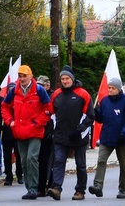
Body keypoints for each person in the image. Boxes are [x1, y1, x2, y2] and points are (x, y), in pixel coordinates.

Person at [2, 64, 51, 200]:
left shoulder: (39, 90)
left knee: (31, 158)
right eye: (20, 76)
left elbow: (47, 109)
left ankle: (33, 188)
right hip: (19, 131)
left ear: (31, 76)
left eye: (24, 76)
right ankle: (29, 188)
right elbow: (4, 107)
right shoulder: (14, 91)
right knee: (23, 161)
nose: (22, 78)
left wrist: (38, 123)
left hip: (35, 132)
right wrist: (10, 121)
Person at [47, 65, 94, 201]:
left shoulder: (83, 94)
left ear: (72, 79)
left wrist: (79, 130)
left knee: (81, 164)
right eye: (62, 78)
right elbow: (52, 114)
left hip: (79, 135)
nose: (65, 81)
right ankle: (56, 188)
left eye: (67, 78)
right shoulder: (56, 94)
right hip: (61, 135)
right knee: (59, 161)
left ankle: (80, 190)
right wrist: (54, 131)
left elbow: (90, 116)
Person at [89, 77, 125, 199]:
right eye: (109, 87)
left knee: (124, 166)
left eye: (112, 88)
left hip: (122, 139)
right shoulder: (104, 101)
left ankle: (123, 190)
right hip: (107, 137)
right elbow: (101, 118)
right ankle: (98, 186)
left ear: (118, 89)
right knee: (101, 160)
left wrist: (124, 133)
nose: (110, 89)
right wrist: (95, 113)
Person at [1, 82, 24, 187]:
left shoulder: (19, 101)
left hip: (17, 132)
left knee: (19, 155)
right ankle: (8, 176)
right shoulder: (4, 102)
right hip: (6, 133)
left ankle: (19, 175)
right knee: (6, 156)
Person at [35, 75, 55, 198]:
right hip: (38, 133)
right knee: (40, 161)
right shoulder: (35, 97)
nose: (38, 87)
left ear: (47, 86)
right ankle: (40, 187)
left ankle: (50, 185)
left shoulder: (52, 97)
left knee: (50, 162)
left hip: (50, 134)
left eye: (41, 85)